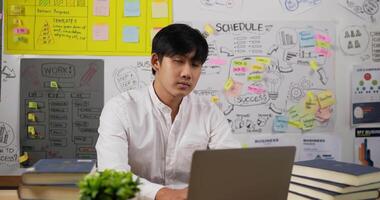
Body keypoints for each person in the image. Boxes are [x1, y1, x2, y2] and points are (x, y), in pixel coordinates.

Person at [96, 23, 240, 200]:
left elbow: (231, 167)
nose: (187, 73)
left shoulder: (209, 112)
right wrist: (165, 194)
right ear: (156, 62)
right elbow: (112, 175)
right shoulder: (120, 109)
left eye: (195, 65)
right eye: (178, 61)